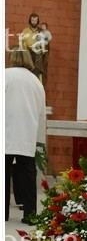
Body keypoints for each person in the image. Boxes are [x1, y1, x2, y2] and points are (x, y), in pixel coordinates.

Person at [5, 47, 46, 224]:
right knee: (27, 176)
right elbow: (41, 111)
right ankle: (30, 214)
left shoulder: (5, 75)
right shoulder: (35, 81)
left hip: (5, 132)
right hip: (27, 134)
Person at [20, 13, 42, 78]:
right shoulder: (25, 31)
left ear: (38, 21)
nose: (34, 22)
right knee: (27, 74)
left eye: (35, 20)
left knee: (36, 75)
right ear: (30, 21)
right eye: (32, 20)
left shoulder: (41, 31)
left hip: (37, 56)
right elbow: (22, 43)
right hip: (28, 54)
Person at [33, 21, 52, 87]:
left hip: (43, 50)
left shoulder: (47, 33)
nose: (43, 27)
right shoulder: (39, 33)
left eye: (44, 26)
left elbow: (49, 38)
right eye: (42, 26)